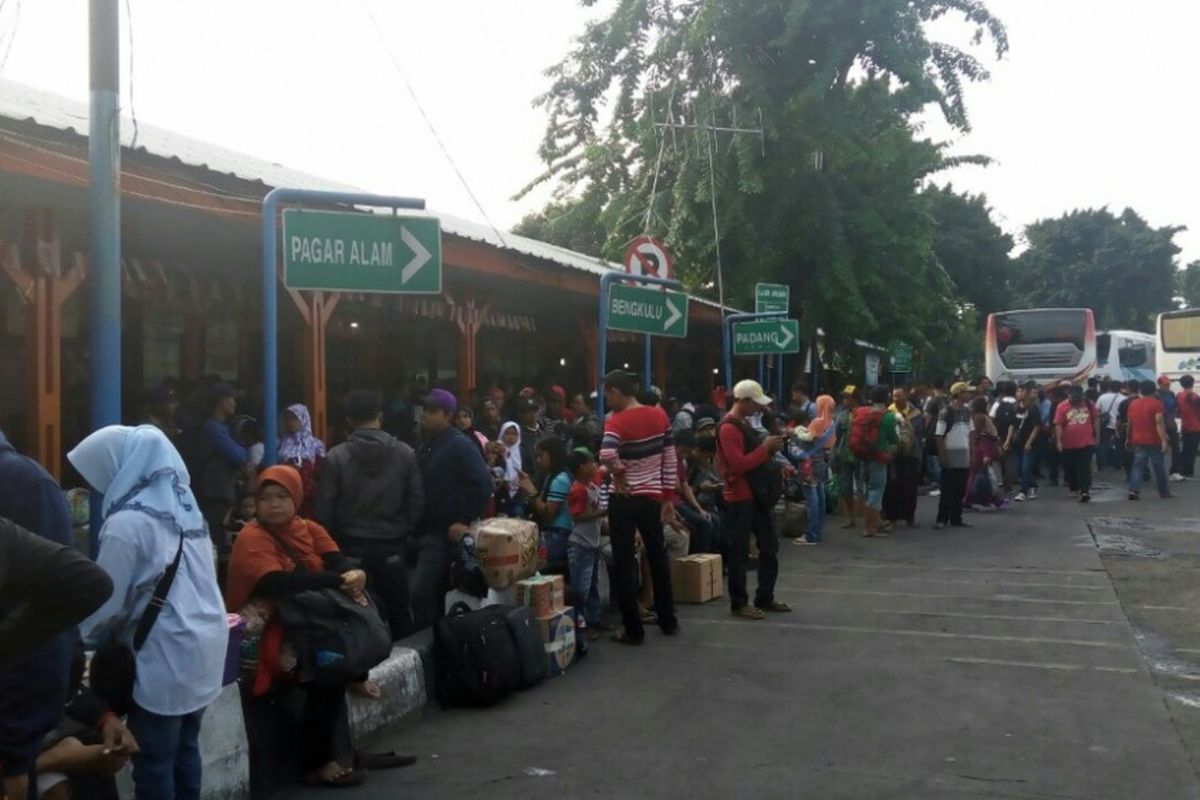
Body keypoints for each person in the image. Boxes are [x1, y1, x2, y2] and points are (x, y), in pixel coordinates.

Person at [226, 465, 412, 789]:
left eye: (281, 497)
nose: (273, 504)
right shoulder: (252, 535)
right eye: (265, 497)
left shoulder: (308, 528)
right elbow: (273, 582)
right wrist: (335, 580)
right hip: (269, 629)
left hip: (307, 619)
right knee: (325, 671)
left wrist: (354, 577)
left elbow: (339, 561)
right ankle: (318, 763)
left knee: (349, 638)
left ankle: (343, 752)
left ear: (296, 498)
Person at [68, 425, 227, 800]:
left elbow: (104, 600)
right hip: (205, 645)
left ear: (121, 467)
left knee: (154, 759)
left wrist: (75, 641)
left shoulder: (127, 524)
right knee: (186, 748)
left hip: (165, 653)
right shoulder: (185, 508)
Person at [315, 390, 423, 641]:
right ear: (380, 416)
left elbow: (324, 509)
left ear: (349, 421)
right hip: (393, 546)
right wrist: (404, 529)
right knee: (398, 610)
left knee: (354, 610)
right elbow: (416, 501)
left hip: (349, 548)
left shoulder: (336, 456)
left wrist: (331, 550)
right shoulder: (405, 453)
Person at [599, 370, 680, 644]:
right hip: (652, 497)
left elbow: (607, 453)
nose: (606, 401)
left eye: (607, 394)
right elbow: (670, 458)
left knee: (624, 563)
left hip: (623, 499)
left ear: (615, 391)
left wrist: (619, 474)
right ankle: (668, 620)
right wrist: (668, 496)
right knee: (657, 556)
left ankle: (633, 629)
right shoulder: (659, 415)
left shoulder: (616, 421)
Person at [411, 389, 493, 630]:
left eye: (432, 411)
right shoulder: (427, 445)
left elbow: (483, 485)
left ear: (448, 415)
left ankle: (433, 651)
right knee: (431, 596)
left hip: (443, 534)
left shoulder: (460, 444)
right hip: (422, 531)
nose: (425, 415)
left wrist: (462, 519)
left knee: (421, 594)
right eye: (424, 410)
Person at [716, 379, 791, 621]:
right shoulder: (729, 428)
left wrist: (769, 430)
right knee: (739, 553)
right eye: (756, 404)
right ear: (744, 401)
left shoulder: (744, 423)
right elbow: (737, 465)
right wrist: (765, 449)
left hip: (756, 496)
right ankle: (739, 603)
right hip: (740, 496)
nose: (759, 409)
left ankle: (764, 596)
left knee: (769, 547)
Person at [186, 382, 248, 551]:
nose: (234, 403)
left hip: (215, 493)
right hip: (213, 494)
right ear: (222, 402)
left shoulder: (216, 427)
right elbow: (239, 455)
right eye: (231, 399)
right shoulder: (212, 428)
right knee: (215, 542)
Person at [564, 451, 608, 636]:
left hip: (592, 543)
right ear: (581, 467)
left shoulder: (591, 485)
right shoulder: (578, 489)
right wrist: (602, 514)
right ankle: (581, 625)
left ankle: (593, 619)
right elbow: (577, 516)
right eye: (591, 462)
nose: (595, 465)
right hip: (580, 545)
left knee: (591, 585)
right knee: (581, 587)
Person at [518, 437, 573, 567]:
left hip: (559, 535)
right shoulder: (551, 475)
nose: (538, 460)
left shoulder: (560, 479)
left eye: (541, 455)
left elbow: (548, 514)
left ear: (553, 454)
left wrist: (531, 491)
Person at [854, 386, 898, 536]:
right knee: (876, 492)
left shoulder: (862, 413)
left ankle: (876, 522)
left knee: (867, 491)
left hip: (862, 456)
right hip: (879, 457)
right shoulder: (888, 417)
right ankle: (870, 528)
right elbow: (894, 439)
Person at [934, 382, 974, 529]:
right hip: (950, 454)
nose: (969, 395)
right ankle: (942, 519)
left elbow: (970, 433)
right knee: (947, 489)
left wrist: (972, 452)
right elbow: (938, 436)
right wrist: (943, 456)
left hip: (963, 455)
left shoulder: (967, 411)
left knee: (960, 489)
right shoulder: (946, 412)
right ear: (959, 394)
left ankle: (956, 517)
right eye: (967, 392)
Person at [1127, 380, 1172, 501]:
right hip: (1154, 440)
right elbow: (1159, 422)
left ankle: (1134, 490)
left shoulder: (1133, 404)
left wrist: (1128, 437)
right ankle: (1164, 492)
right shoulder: (1157, 404)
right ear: (1154, 390)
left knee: (1138, 466)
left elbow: (1130, 423)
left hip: (1138, 439)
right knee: (1159, 466)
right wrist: (1163, 439)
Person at [1054, 385, 1100, 503]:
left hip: (1086, 442)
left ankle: (1084, 491)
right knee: (1070, 467)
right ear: (1068, 395)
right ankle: (1073, 488)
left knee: (1084, 467)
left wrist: (1097, 436)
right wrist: (1058, 441)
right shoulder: (1062, 406)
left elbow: (1096, 420)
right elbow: (1058, 424)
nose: (1076, 402)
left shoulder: (1089, 404)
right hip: (1067, 443)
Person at [278, 404, 326, 518]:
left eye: (294, 419)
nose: (291, 423)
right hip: (286, 494)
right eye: (288, 419)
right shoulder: (279, 444)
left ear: (303, 419)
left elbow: (322, 473)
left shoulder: (316, 445)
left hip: (308, 498)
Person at [883, 388, 921, 530]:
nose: (896, 399)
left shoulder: (915, 413)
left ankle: (910, 518)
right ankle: (890, 518)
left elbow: (917, 433)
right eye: (894, 396)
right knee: (891, 488)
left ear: (906, 397)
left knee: (910, 488)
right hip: (892, 456)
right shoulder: (888, 413)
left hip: (910, 456)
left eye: (899, 396)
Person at [966, 397, 1005, 510]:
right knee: (980, 475)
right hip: (981, 450)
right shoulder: (981, 418)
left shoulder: (974, 417)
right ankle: (987, 499)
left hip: (976, 450)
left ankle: (990, 499)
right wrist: (986, 454)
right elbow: (984, 436)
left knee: (978, 475)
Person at [832, 386, 863, 529]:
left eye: (848, 397)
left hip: (862, 456)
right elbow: (836, 436)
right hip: (844, 455)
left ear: (855, 399)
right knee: (846, 488)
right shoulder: (842, 414)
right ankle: (850, 518)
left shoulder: (864, 413)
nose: (845, 400)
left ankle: (867, 517)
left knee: (864, 488)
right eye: (844, 397)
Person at [1011, 382, 1043, 502]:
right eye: (1018, 391)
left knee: (1026, 467)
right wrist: (1008, 440)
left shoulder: (1033, 408)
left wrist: (1029, 442)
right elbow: (1012, 424)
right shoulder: (1015, 407)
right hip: (1018, 442)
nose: (1019, 393)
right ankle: (1033, 485)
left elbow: (1037, 427)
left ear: (1028, 394)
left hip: (1031, 444)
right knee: (1020, 468)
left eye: (1022, 391)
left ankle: (1023, 491)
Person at [990, 381, 1019, 491]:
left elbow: (991, 418)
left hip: (999, 434)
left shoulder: (997, 403)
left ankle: (999, 480)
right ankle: (1009, 482)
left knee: (999, 458)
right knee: (1011, 459)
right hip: (1015, 435)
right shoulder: (1018, 403)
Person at [1155, 376, 1185, 482]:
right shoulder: (1156, 396)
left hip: (1171, 425)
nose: (1167, 386)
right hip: (1161, 425)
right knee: (1160, 451)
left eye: (1168, 384)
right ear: (1160, 384)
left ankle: (1174, 472)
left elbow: (1175, 408)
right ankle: (1160, 474)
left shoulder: (1171, 394)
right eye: (1165, 384)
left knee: (1176, 449)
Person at [1177, 375, 1200, 477]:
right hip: (1195, 426)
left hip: (1185, 425)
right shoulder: (1194, 396)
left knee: (1186, 449)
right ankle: (1188, 471)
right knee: (1191, 451)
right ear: (1193, 383)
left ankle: (1182, 469)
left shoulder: (1178, 396)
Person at [1096, 380, 1122, 470]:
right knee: (1119, 445)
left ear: (1110, 387)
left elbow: (1097, 411)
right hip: (1119, 426)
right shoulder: (1123, 398)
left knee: (1103, 445)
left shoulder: (1102, 397)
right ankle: (1118, 464)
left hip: (1106, 425)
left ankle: (1102, 463)